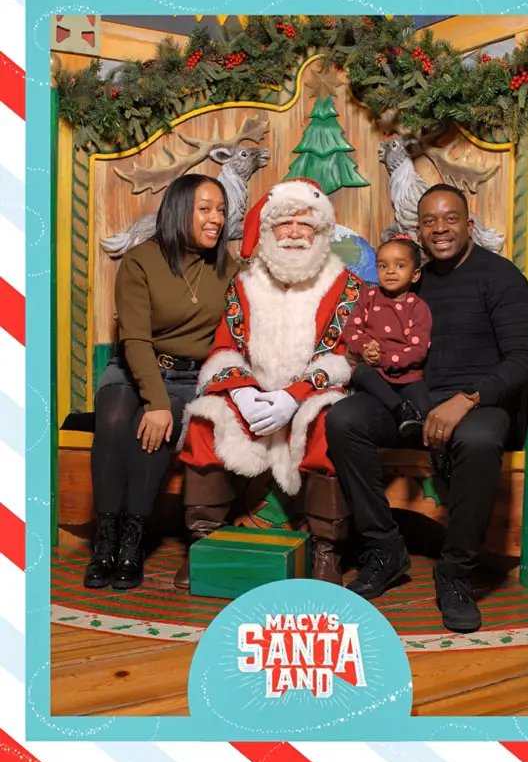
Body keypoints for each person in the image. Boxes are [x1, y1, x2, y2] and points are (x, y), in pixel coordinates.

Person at [326, 183, 528, 633]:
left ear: (469, 224)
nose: (440, 228)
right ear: (418, 230)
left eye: (450, 218)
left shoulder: (500, 277)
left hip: (479, 400)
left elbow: (523, 361)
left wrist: (467, 401)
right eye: (429, 221)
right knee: (344, 419)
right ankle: (385, 549)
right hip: (412, 397)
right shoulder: (408, 278)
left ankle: (456, 574)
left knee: (478, 439)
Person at [174, 178, 363, 590]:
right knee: (206, 420)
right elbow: (225, 347)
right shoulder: (244, 284)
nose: (294, 233)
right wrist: (242, 392)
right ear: (269, 231)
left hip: (310, 396)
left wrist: (293, 397)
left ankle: (327, 552)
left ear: (321, 232)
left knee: (330, 426)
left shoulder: (346, 286)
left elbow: (347, 357)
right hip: (253, 395)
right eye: (285, 225)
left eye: (304, 224)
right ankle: (203, 544)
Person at [84, 174, 237, 591]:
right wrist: (151, 398)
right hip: (134, 367)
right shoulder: (141, 260)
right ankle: (106, 540)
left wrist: (160, 406)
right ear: (178, 211)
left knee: (162, 423)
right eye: (205, 209)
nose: (216, 219)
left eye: (221, 210)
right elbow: (134, 338)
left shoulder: (229, 269)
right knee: (115, 419)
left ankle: (132, 541)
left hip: (188, 377)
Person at [341, 234, 432, 437]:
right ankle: (399, 409)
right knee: (361, 373)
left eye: (399, 266)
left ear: (415, 275)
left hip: (407, 375)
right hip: (374, 373)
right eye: (383, 266)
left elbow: (418, 350)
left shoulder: (418, 308)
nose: (390, 271)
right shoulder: (369, 297)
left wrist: (384, 358)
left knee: (426, 410)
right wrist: (366, 347)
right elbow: (351, 330)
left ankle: (440, 456)